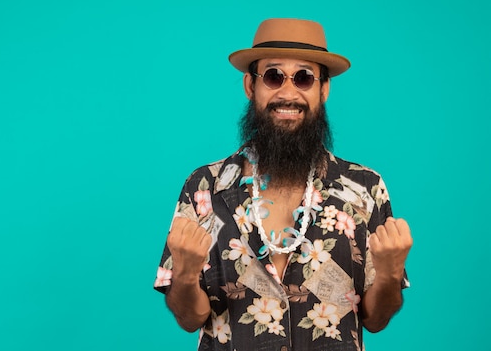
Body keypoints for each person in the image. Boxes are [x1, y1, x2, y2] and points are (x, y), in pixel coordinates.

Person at [153, 18, 412, 351]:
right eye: (273, 76)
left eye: (304, 78)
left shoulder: (364, 188)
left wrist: (389, 274)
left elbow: (376, 320)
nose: (288, 93)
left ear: (324, 88)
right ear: (250, 86)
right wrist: (186, 274)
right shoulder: (204, 187)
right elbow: (190, 320)